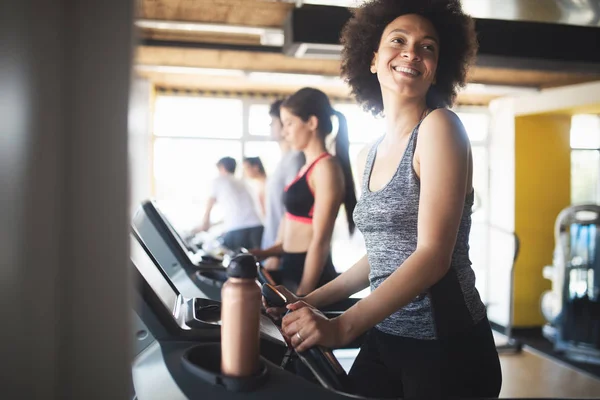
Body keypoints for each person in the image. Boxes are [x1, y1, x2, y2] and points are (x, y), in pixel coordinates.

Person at [270, 1, 503, 398]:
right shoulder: (369, 155)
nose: (412, 52)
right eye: (399, 41)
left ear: (437, 69)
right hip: (387, 334)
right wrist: (304, 301)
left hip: (446, 347)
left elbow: (432, 255)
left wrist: (341, 326)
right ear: (373, 59)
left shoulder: (441, 128)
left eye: (427, 47)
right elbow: (381, 256)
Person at [252, 88, 357, 296]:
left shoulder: (326, 168)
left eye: (289, 123)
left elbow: (320, 239)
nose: (285, 132)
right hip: (291, 265)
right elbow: (293, 228)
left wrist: (304, 296)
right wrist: (264, 253)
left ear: (311, 123)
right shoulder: (305, 167)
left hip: (310, 274)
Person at [259, 100, 305, 271]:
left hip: (283, 253)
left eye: (273, 122)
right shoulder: (284, 160)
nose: (271, 126)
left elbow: (292, 210)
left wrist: (276, 254)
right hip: (274, 246)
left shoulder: (296, 159)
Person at [199, 157, 263, 251]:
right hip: (257, 226)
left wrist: (205, 222)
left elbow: (210, 202)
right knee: (254, 260)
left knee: (237, 260)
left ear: (222, 167)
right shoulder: (242, 182)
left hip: (239, 228)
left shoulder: (219, 180)